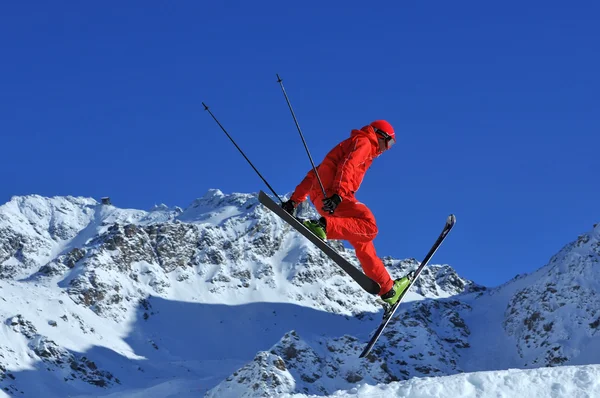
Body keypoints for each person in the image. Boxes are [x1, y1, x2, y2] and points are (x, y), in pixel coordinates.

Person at [281, 120, 412, 306]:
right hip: (335, 196)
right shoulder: (365, 142)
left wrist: (294, 200)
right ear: (379, 135)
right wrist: (339, 195)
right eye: (389, 143)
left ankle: (387, 288)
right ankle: (322, 226)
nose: (387, 149)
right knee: (369, 225)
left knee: (363, 240)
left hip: (323, 198)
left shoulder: (352, 144)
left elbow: (313, 175)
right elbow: (348, 165)